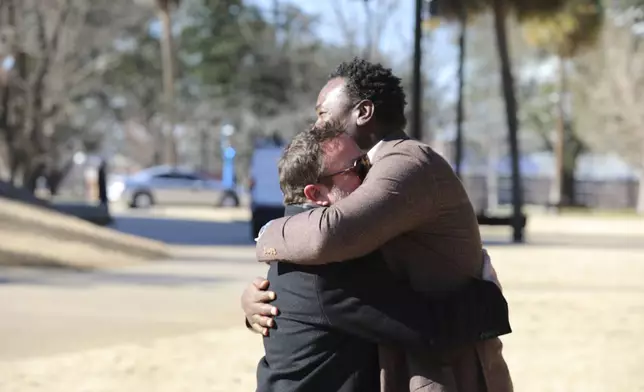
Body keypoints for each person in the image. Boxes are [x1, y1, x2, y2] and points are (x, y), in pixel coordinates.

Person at [246, 58, 513, 392]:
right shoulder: (369, 167)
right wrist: (263, 300)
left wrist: (269, 233)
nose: (316, 126)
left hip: (448, 364)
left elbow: (329, 234)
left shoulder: (405, 162)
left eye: (322, 113)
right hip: (425, 349)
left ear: (364, 112)